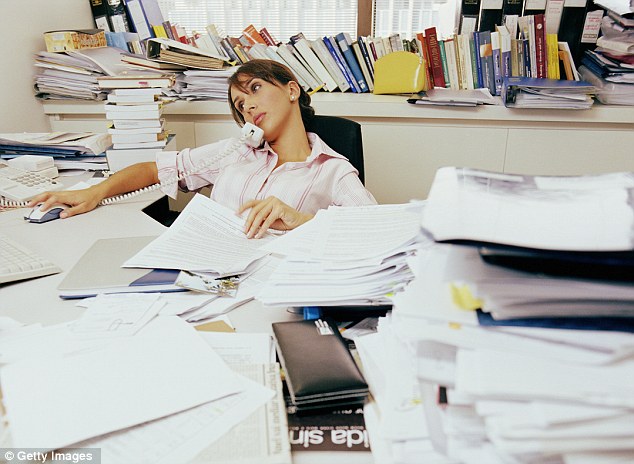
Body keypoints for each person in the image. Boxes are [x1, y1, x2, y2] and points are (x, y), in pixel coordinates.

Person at [30, 59, 376, 238]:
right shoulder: (236, 152)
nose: (247, 105)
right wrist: (94, 192)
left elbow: (374, 231)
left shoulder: (332, 169)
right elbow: (153, 170)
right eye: (239, 104)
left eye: (255, 89)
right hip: (201, 267)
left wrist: (301, 221)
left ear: (291, 90)